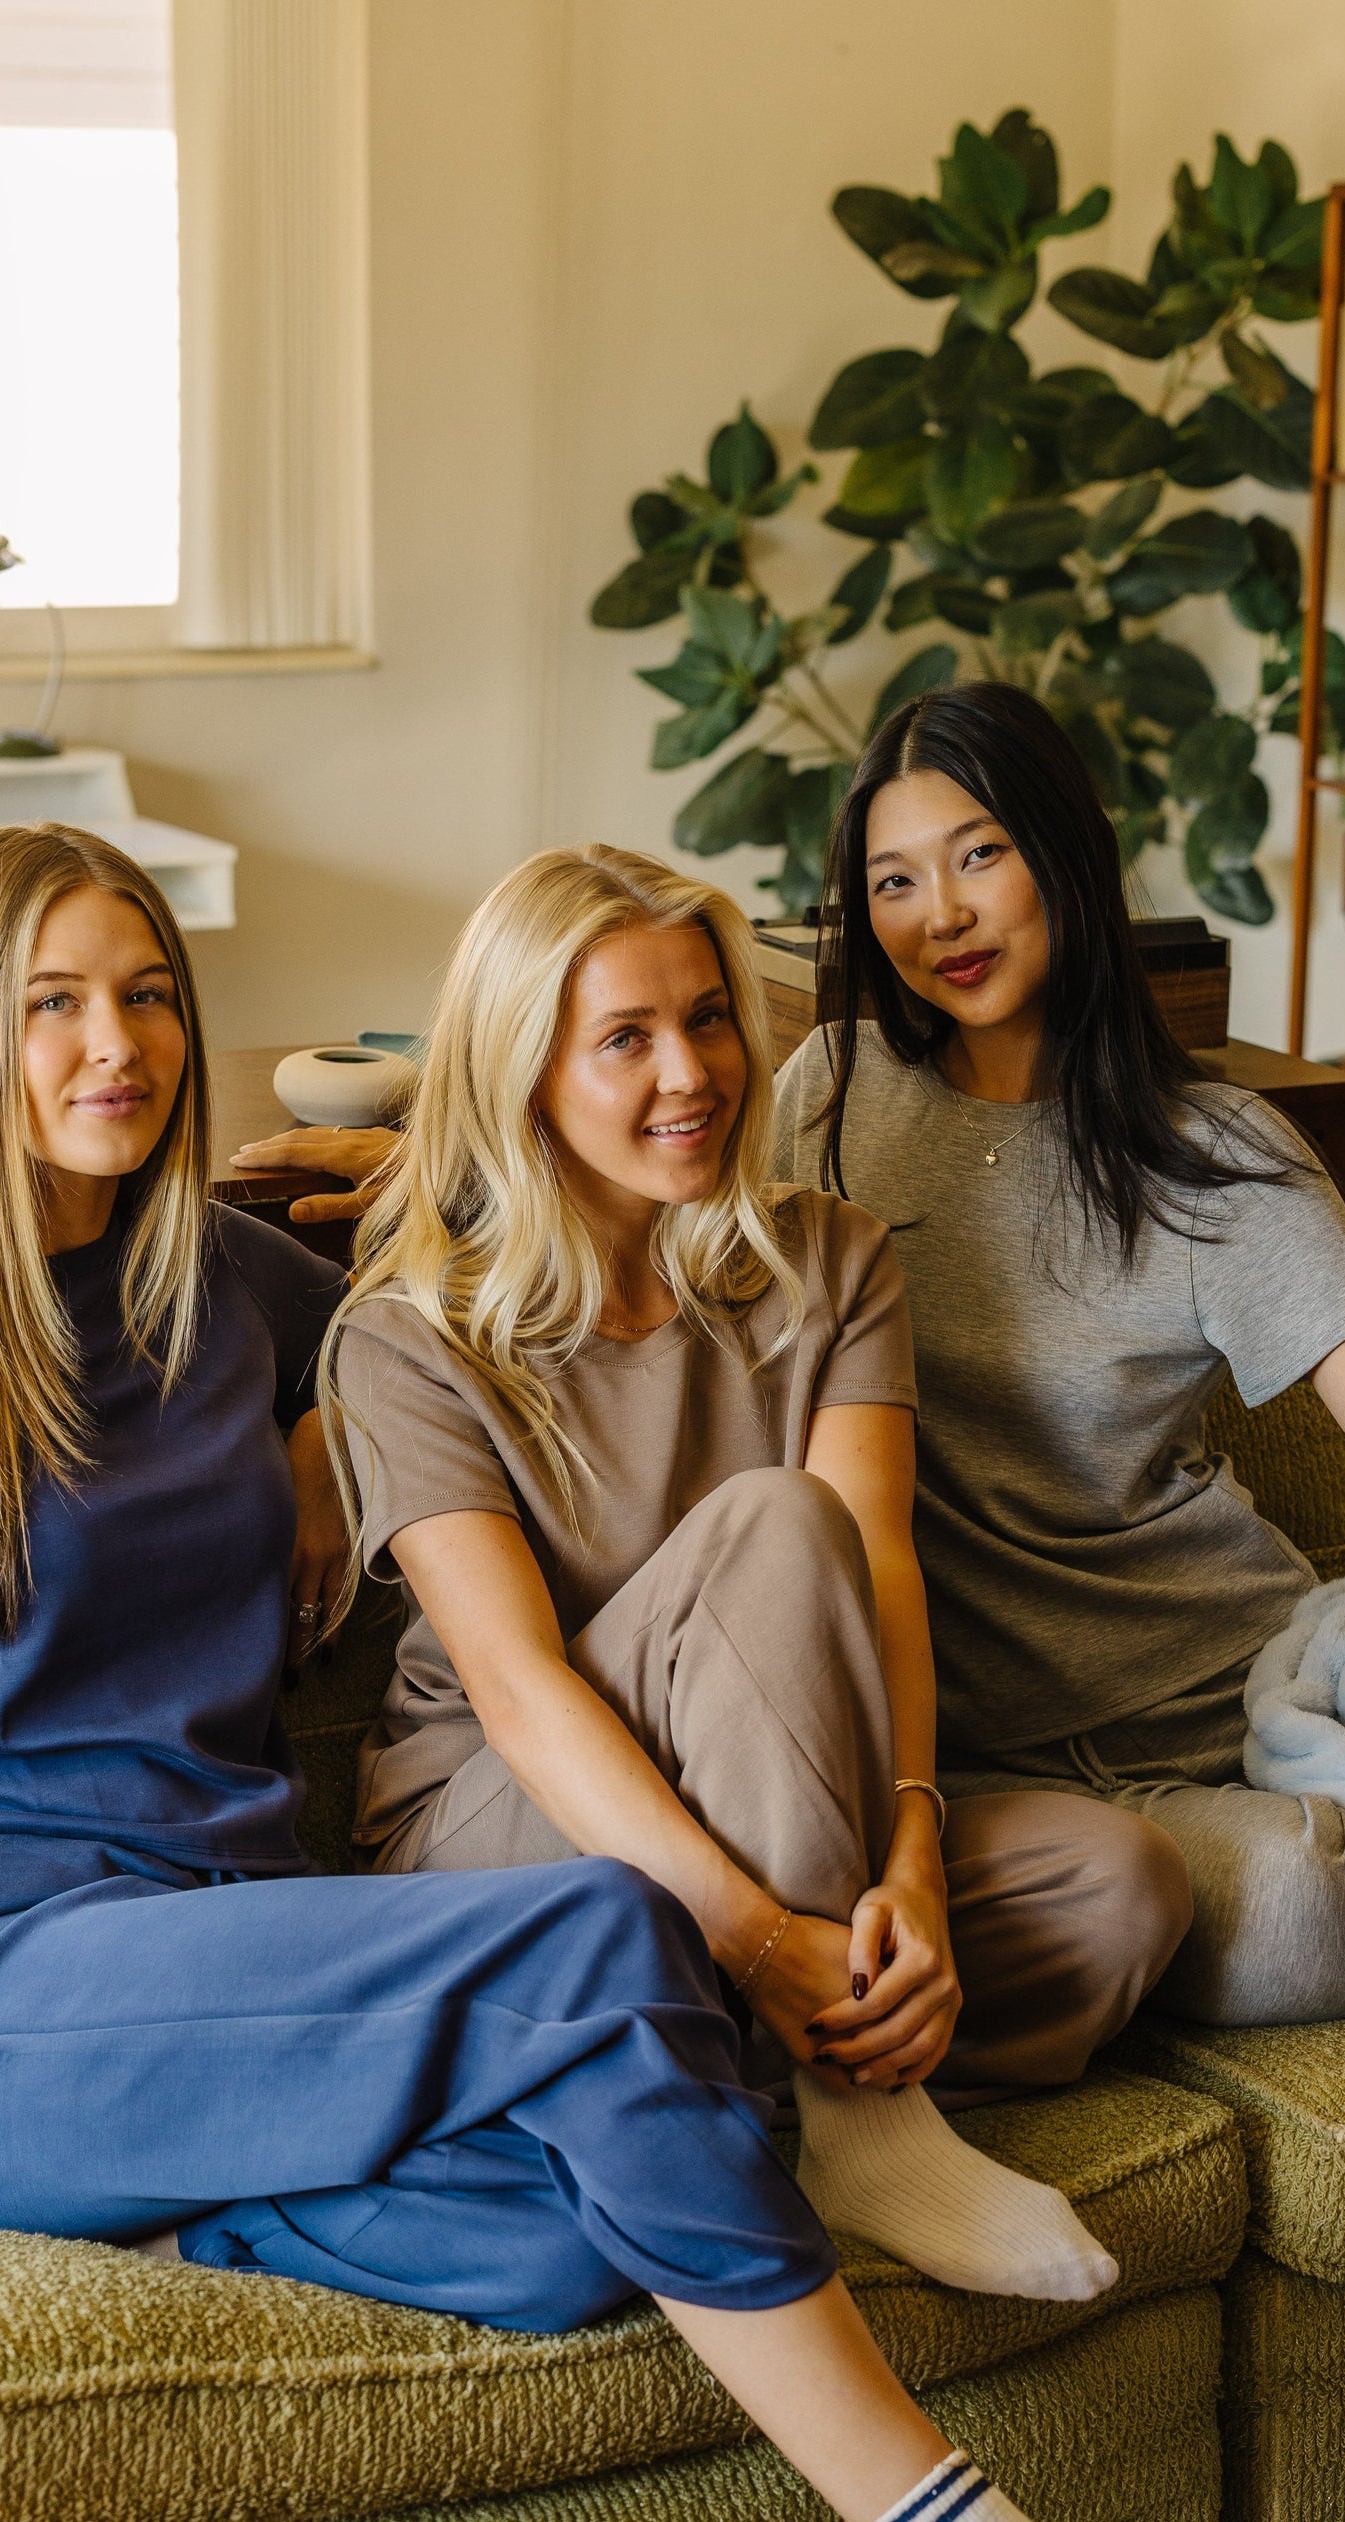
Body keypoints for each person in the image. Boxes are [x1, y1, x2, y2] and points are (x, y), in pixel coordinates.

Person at [0, 818, 1344, 2522]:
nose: (118, 1044)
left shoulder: (252, 1304)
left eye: (150, 996)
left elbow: (471, 1202)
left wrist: (310, 1424)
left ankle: (166, 2207)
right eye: (54, 1008)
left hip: (256, 1955)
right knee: (610, 1948)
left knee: (587, 2222)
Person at [317, 841, 1189, 2303]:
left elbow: (888, 1584)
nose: (691, 1072)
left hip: (787, 1803)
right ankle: (864, 2118)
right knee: (779, 1523)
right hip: (507, 1828)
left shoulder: (832, 1264)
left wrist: (907, 1859)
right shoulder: (405, 1340)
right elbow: (520, 1695)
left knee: (1123, 1886)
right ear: (524, 1073)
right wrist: (760, 1934)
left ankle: (703, 2086)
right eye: (625, 1038)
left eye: (708, 1016)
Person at [768, 678, 1345, 2023]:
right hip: (967, 1764)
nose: (939, 916)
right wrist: (404, 1185)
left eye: (978, 855)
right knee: (1285, 1907)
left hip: (1225, 1708)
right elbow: (610, 1188)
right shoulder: (828, 1103)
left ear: (1063, 855)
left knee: (1304, 1902)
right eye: (891, 881)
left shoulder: (1214, 1154)